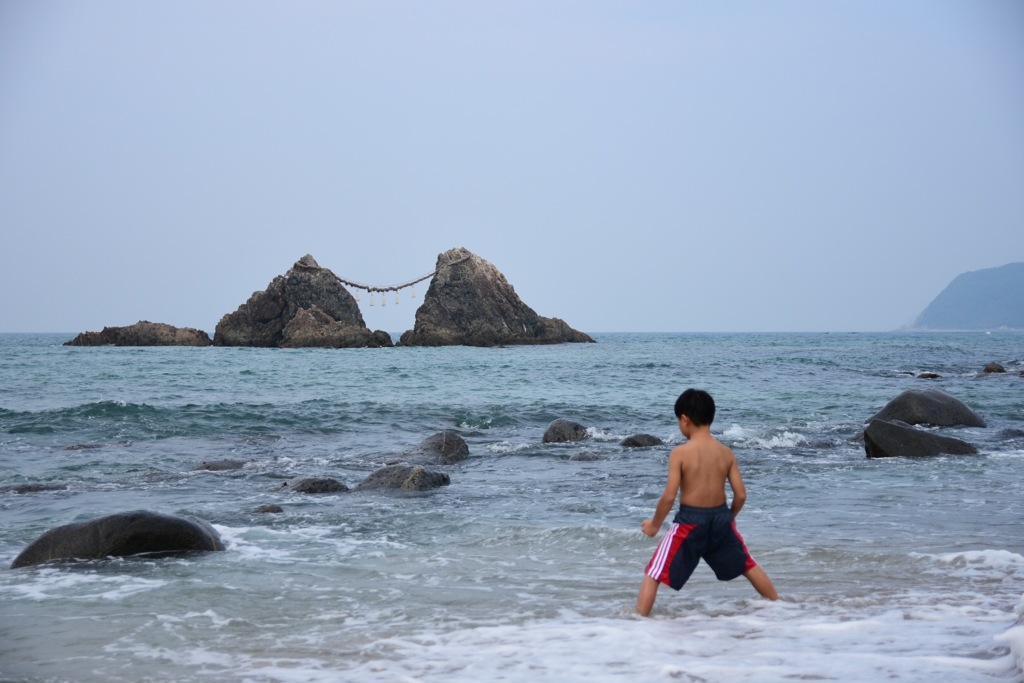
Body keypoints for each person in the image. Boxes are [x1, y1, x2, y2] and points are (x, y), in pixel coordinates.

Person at [637, 388, 778, 616]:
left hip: (690, 522)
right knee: (747, 565)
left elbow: (670, 496)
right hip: (721, 518)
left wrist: (654, 525)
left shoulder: (680, 453)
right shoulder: (726, 453)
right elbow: (741, 495)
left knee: (654, 572)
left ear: (684, 419)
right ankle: (780, 608)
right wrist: (729, 518)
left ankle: (637, 621)